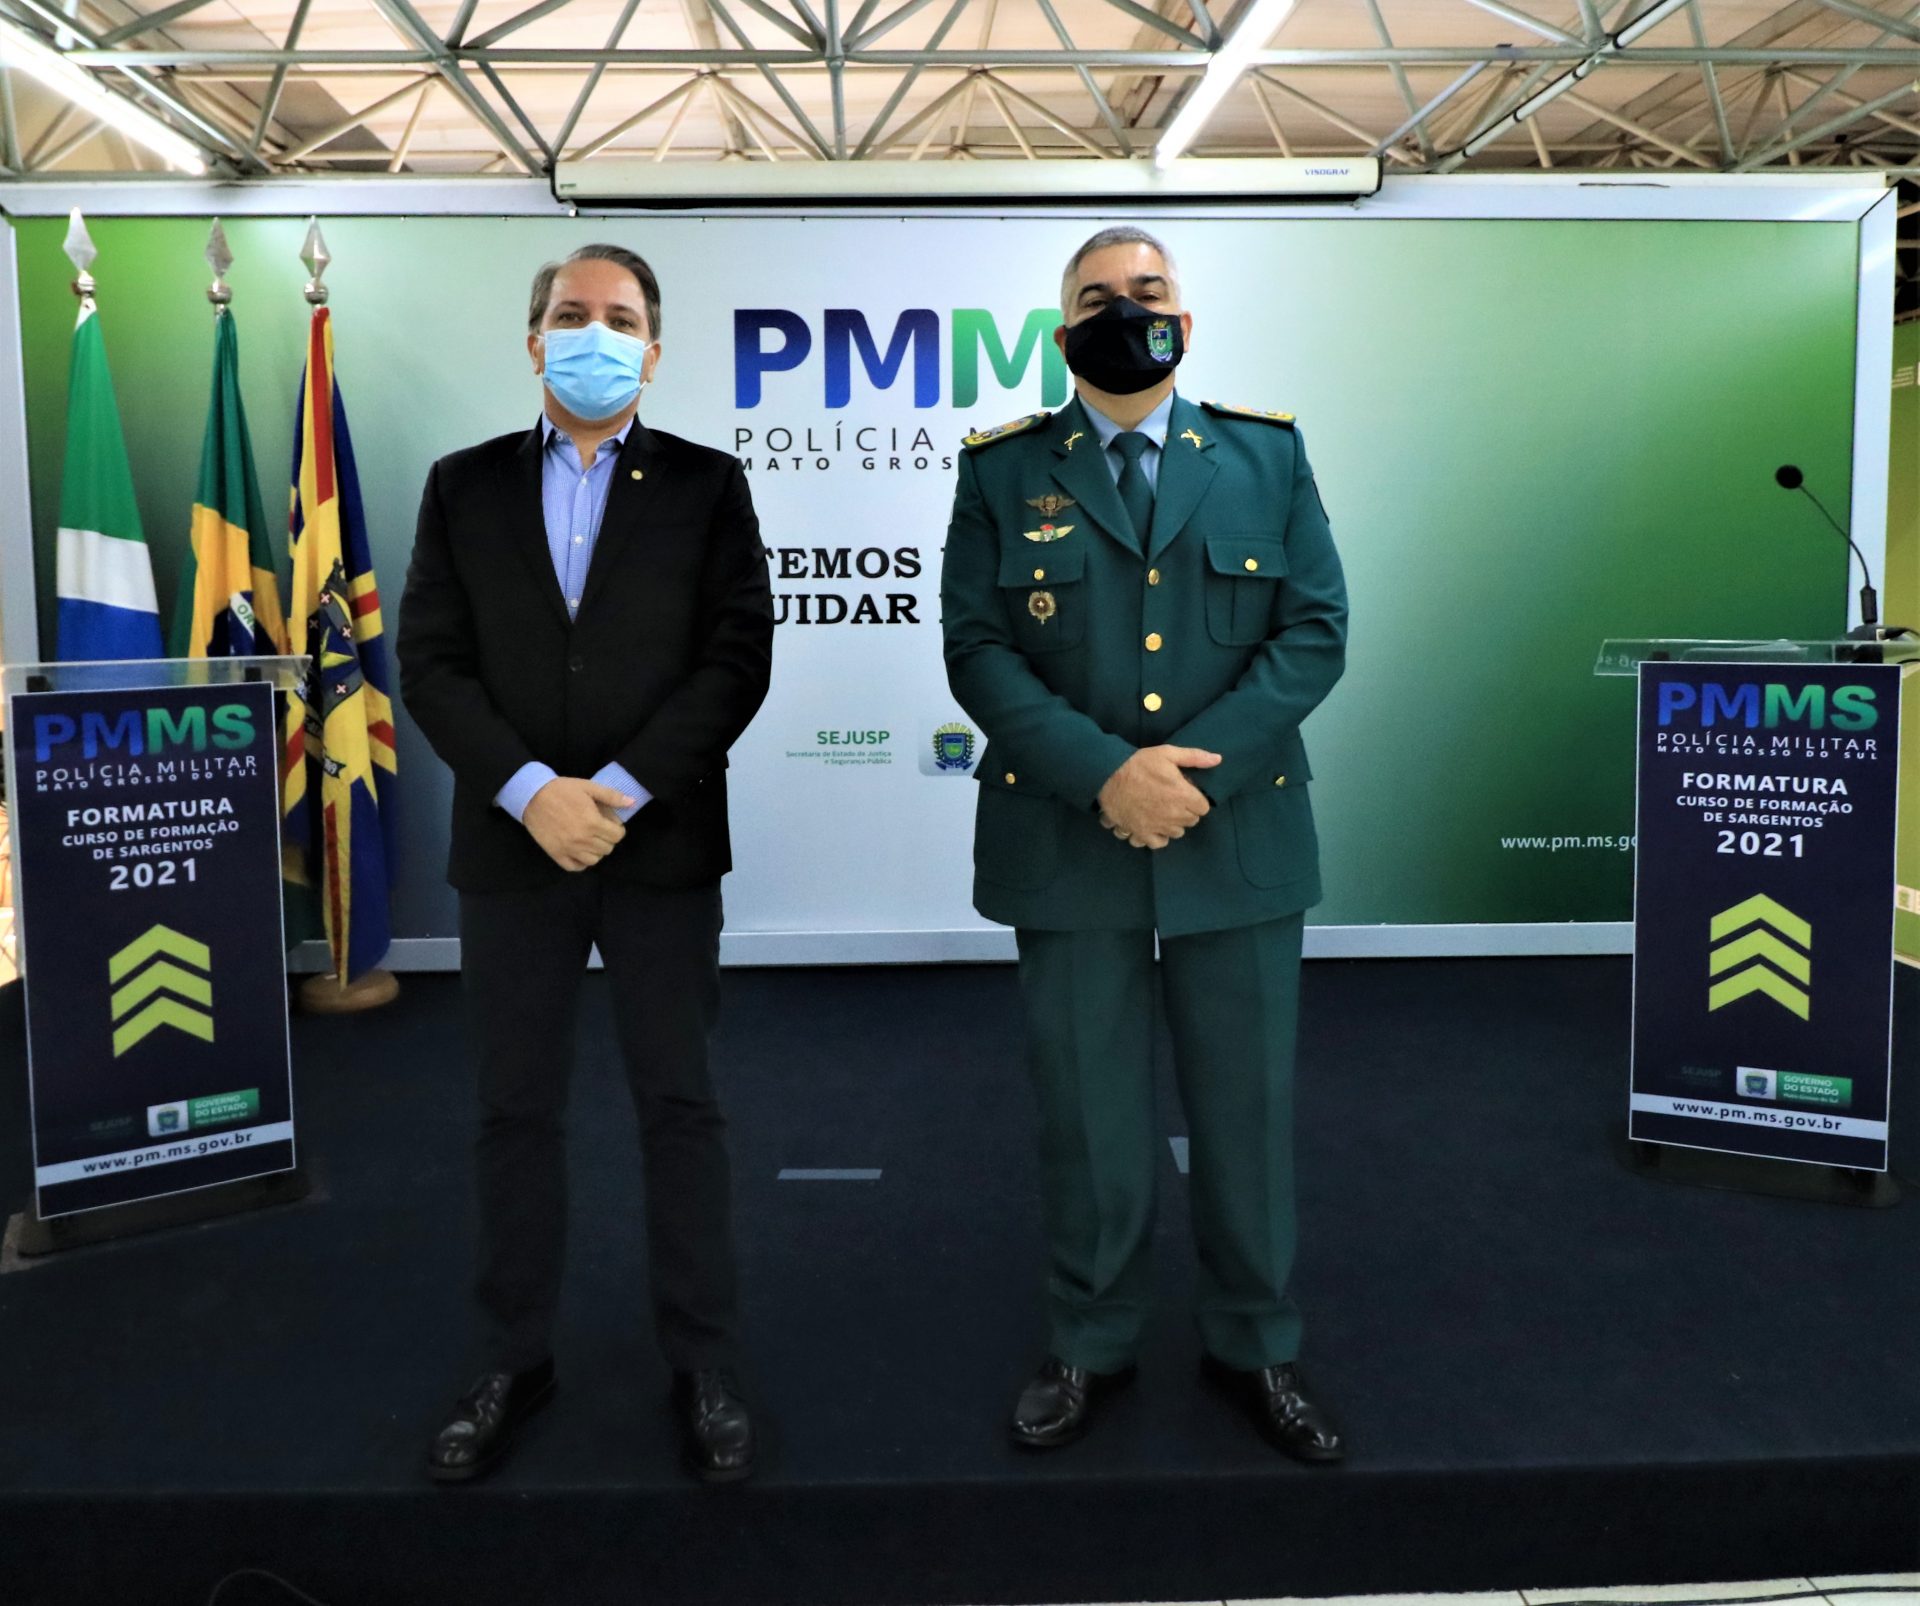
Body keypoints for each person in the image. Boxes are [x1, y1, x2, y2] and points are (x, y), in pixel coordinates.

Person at [939, 225, 1349, 1462]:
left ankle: (1257, 1344)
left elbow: (1314, 631)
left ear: (1187, 318)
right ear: (1063, 331)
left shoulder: (1266, 455)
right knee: (1088, 1114)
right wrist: (1108, 774)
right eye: (1097, 297)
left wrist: (1186, 777)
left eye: (1149, 291)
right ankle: (1092, 1338)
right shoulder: (1003, 469)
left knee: (1247, 1112)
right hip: (1071, 837)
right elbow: (977, 646)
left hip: (1236, 835)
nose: (1126, 310)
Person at [397, 243, 774, 1485]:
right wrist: (529, 793)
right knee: (513, 1110)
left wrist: (610, 793)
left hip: (657, 843)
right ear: (534, 340)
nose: (595, 333)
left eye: (620, 318)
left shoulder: (710, 486)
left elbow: (736, 658)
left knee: (681, 1105)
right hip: (512, 853)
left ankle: (705, 1361)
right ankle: (511, 1358)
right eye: (572, 313)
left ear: (652, 353)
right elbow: (432, 661)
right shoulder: (462, 486)